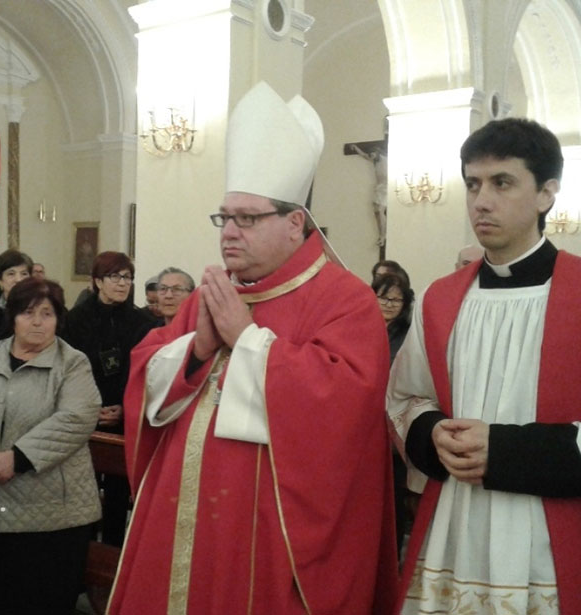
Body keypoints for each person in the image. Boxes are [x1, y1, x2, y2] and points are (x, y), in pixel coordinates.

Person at [108, 82, 397, 615]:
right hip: (181, 512)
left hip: (266, 527)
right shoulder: (209, 294)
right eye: (225, 217)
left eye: (248, 218)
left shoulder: (345, 299)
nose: (229, 233)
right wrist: (199, 346)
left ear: (294, 223)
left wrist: (248, 340)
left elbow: (345, 408)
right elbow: (146, 369)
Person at [387, 117, 581, 615]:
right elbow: (406, 398)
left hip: (550, 538)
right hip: (456, 528)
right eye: (473, 184)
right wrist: (431, 433)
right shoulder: (441, 299)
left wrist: (503, 451)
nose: (481, 200)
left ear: (547, 193)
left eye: (502, 183)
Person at [0, 278, 101, 615]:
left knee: (37, 602)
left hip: (51, 517)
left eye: (47, 313)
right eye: (28, 313)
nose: (38, 322)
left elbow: (77, 418)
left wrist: (17, 458)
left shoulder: (72, 363)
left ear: (59, 319)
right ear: (12, 316)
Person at [62, 251, 154, 547]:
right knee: (81, 493)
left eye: (127, 277)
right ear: (98, 281)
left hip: (123, 417)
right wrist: (90, 407)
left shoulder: (143, 322)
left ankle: (112, 562)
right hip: (83, 416)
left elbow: (146, 373)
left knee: (117, 494)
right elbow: (67, 371)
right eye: (115, 277)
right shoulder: (74, 320)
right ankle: (80, 560)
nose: (122, 283)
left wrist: (125, 410)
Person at [371, 272, 415, 557]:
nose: (389, 304)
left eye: (396, 299)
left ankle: (393, 554)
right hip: (366, 422)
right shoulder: (361, 326)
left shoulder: (408, 335)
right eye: (383, 297)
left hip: (393, 425)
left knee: (394, 497)